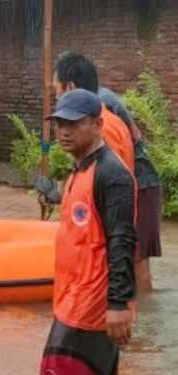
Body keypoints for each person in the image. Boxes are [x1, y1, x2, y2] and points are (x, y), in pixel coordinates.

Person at [40, 89, 136, 375]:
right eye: (59, 124)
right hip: (70, 299)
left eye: (73, 124)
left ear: (97, 125)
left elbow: (122, 241)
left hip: (91, 307)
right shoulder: (80, 169)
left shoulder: (112, 175)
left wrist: (118, 304)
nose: (63, 132)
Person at [99, 86, 162, 292]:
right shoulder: (100, 100)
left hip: (141, 185)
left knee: (137, 259)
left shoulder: (101, 105)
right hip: (135, 184)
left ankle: (144, 319)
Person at [53, 52, 135, 172]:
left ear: (70, 87)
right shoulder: (101, 119)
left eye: (57, 89)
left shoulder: (101, 128)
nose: (56, 97)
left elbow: (110, 181)